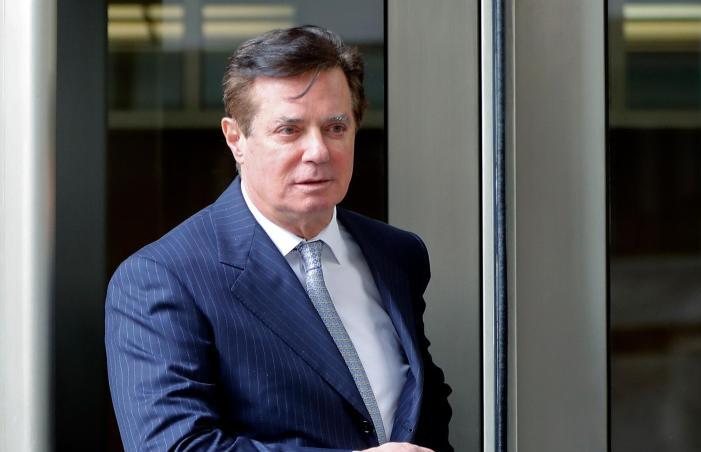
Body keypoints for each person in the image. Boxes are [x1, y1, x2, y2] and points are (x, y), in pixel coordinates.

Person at [105, 25, 452, 451]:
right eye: (289, 130)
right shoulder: (162, 279)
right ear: (236, 138)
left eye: (336, 127)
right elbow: (177, 446)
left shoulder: (397, 254)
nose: (318, 151)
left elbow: (422, 409)